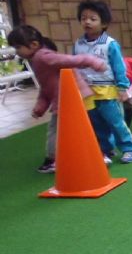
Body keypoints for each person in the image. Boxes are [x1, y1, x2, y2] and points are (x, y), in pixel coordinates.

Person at [7, 24, 106, 174]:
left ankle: (54, 159)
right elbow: (46, 87)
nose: (17, 51)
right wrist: (40, 107)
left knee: (59, 130)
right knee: (77, 128)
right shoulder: (38, 60)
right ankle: (95, 155)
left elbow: (70, 60)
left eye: (18, 47)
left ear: (33, 45)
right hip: (68, 98)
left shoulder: (43, 57)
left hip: (70, 98)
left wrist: (93, 61)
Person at [73, 0, 132, 164]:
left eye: (92, 19)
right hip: (88, 92)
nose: (87, 22)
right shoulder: (78, 44)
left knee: (116, 122)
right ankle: (106, 149)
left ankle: (128, 148)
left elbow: (119, 66)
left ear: (104, 23)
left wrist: (122, 87)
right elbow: (75, 66)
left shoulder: (110, 44)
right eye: (84, 18)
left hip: (107, 91)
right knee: (97, 123)